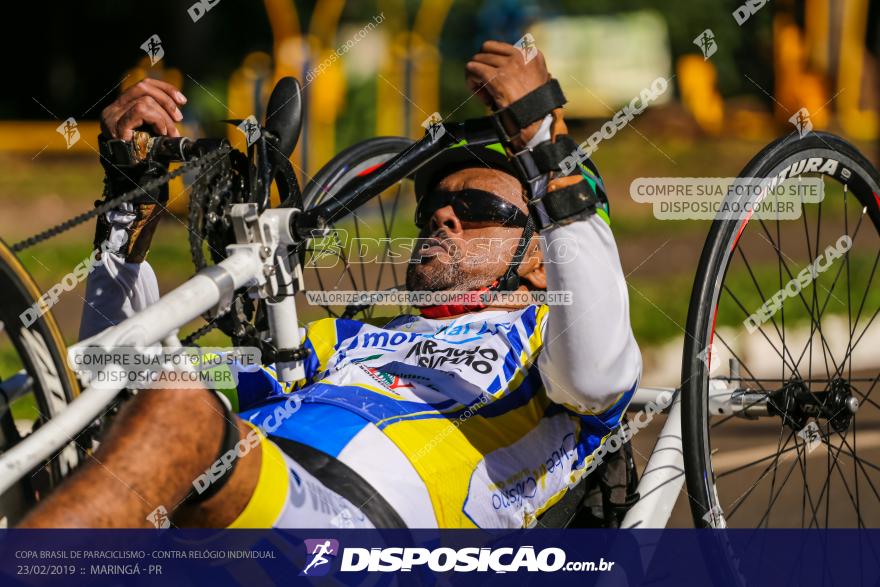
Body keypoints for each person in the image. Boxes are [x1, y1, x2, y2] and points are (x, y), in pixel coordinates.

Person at [21, 41, 641, 529]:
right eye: (432, 210)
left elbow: (596, 377)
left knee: (175, 413)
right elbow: (119, 391)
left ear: (541, 259)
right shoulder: (334, 339)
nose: (443, 218)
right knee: (153, 406)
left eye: (478, 205)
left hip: (368, 532)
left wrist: (541, 139)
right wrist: (128, 206)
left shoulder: (551, 344)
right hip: (250, 503)